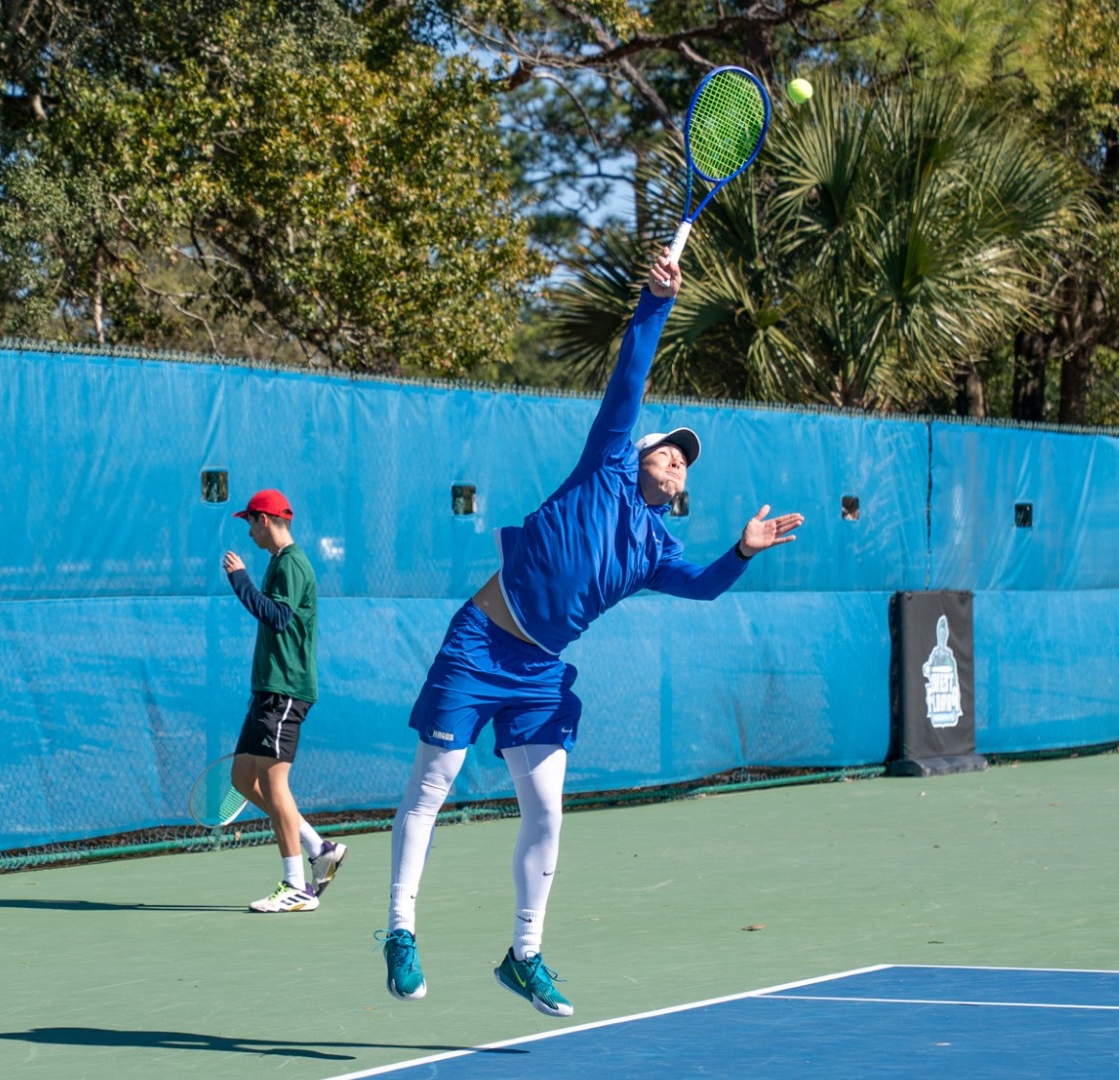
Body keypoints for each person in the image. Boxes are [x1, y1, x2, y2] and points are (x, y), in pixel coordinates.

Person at [377, 255, 804, 1015]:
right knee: (431, 788)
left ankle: (525, 954)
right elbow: (630, 378)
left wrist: (742, 552)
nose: (674, 456)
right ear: (639, 453)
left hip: (540, 674)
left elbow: (704, 587)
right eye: (667, 446)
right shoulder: (604, 462)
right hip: (478, 643)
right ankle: (401, 931)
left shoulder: (656, 551)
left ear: (679, 493)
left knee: (546, 812)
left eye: (684, 460)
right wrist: (655, 302)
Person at [220, 488, 347, 912]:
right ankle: (318, 847)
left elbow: (277, 617)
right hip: (267, 690)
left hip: (286, 691)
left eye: (250, 522)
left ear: (266, 520)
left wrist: (240, 580)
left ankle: (297, 886)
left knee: (276, 785)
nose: (249, 532)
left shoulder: (292, 564)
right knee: (242, 779)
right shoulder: (278, 563)